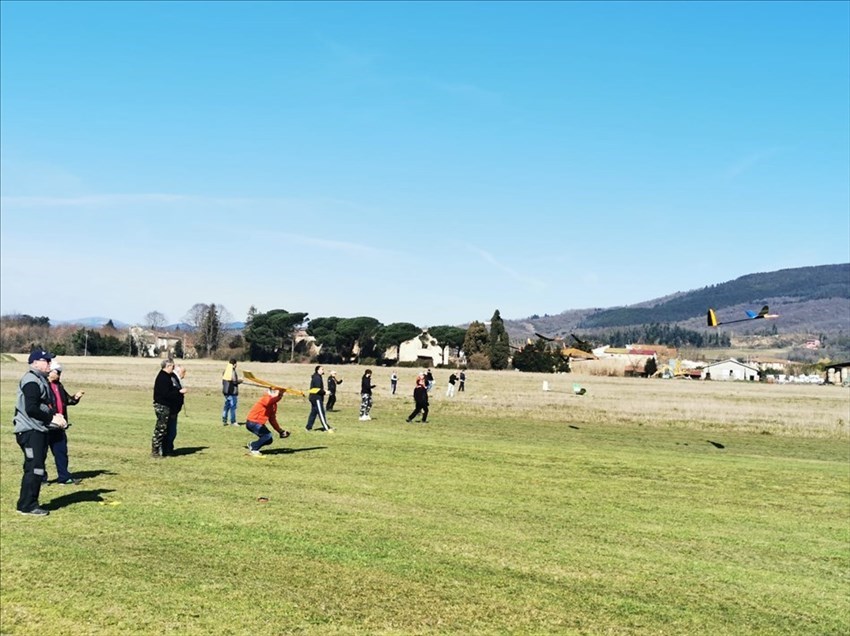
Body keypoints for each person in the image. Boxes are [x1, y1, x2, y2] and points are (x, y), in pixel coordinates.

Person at [14, 349, 66, 516]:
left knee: (37, 467)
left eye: (50, 361)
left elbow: (42, 406)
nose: (49, 364)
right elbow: (31, 409)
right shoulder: (31, 381)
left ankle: (27, 503)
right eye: (46, 361)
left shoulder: (41, 380)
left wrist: (54, 415)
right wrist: (52, 419)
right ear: (35, 363)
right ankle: (27, 505)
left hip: (38, 430)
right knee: (35, 468)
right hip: (30, 432)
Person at [45, 362, 85, 485]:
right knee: (40, 455)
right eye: (58, 372)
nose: (59, 375)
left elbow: (67, 401)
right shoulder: (43, 386)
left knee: (61, 452)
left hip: (60, 426)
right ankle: (41, 479)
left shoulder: (59, 386)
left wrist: (76, 397)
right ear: (50, 372)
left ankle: (64, 477)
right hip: (46, 426)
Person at [152, 359, 186, 458]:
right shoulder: (163, 377)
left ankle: (164, 450)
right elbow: (166, 394)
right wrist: (179, 392)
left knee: (165, 429)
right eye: (172, 366)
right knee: (160, 430)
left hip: (166, 406)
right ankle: (155, 451)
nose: (174, 368)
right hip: (162, 406)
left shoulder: (167, 376)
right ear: (167, 366)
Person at [245, 389, 290, 456]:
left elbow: (272, 420)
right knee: (267, 435)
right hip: (253, 422)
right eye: (278, 393)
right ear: (272, 393)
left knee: (269, 440)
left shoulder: (274, 405)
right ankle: (254, 450)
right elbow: (269, 402)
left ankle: (253, 444)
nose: (280, 395)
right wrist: (280, 396)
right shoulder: (266, 398)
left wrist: (280, 431)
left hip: (259, 423)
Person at [163, 364, 186, 456]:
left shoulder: (175, 379)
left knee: (171, 431)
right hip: (172, 410)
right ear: (179, 372)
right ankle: (167, 449)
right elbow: (172, 395)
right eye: (184, 372)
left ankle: (168, 448)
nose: (184, 375)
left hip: (174, 410)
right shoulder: (173, 379)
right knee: (171, 431)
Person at [306, 365, 332, 432]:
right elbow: (318, 389)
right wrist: (325, 392)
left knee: (313, 413)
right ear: (318, 370)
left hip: (313, 397)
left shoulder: (317, 377)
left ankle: (308, 427)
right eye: (322, 369)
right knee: (321, 413)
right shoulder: (317, 378)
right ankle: (326, 428)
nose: (323, 370)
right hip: (316, 398)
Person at [221, 358, 242, 426]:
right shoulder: (232, 372)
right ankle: (233, 421)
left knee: (227, 406)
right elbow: (234, 382)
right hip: (232, 393)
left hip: (226, 392)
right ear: (234, 364)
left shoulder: (226, 371)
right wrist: (240, 381)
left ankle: (224, 420)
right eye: (236, 364)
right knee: (233, 407)